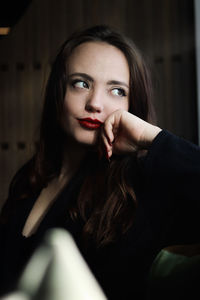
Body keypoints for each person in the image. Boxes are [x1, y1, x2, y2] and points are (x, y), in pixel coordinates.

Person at [0, 24, 200, 300]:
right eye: (81, 83)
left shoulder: (140, 183)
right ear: (58, 92)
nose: (95, 103)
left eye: (117, 91)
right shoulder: (30, 178)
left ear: (133, 105)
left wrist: (151, 138)